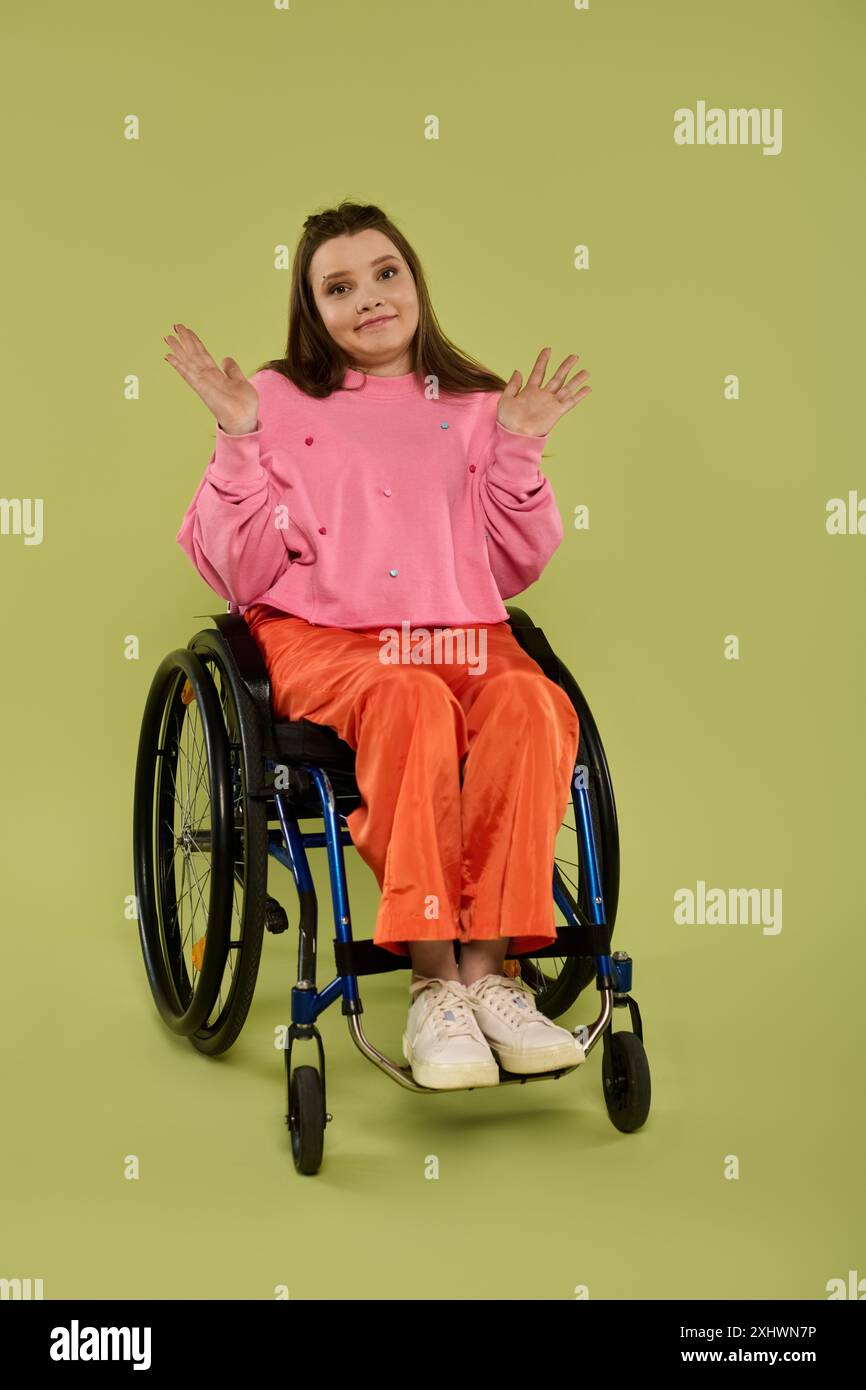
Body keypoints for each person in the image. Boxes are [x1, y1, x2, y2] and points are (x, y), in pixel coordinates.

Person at [167, 201, 592, 1090]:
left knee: (532, 703)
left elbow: (512, 564)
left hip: (464, 632)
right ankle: (436, 983)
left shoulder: (478, 404)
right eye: (339, 286)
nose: (368, 298)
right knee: (409, 697)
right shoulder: (278, 401)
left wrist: (516, 446)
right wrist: (239, 439)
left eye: (384, 273)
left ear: (415, 282)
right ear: (311, 308)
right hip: (327, 638)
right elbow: (240, 575)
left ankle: (492, 978)